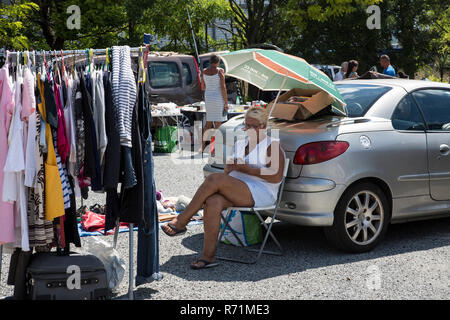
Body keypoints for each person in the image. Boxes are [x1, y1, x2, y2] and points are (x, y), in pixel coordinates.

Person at [161, 107, 286, 269]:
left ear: (263, 126)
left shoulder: (272, 146)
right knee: (213, 201)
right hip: (239, 188)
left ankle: (182, 220)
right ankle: (208, 256)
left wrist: (246, 169)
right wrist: (230, 168)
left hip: (262, 192)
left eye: (253, 126)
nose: (248, 129)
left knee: (214, 178)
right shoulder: (241, 144)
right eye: (246, 125)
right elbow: (228, 173)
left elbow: (276, 176)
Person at [200, 54, 228, 152]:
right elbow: (223, 87)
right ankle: (214, 147)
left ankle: (202, 146)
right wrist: (226, 103)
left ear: (210, 61)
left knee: (208, 123)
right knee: (218, 124)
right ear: (218, 62)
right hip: (218, 98)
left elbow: (203, 87)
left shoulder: (203, 72)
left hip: (208, 98)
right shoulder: (220, 71)